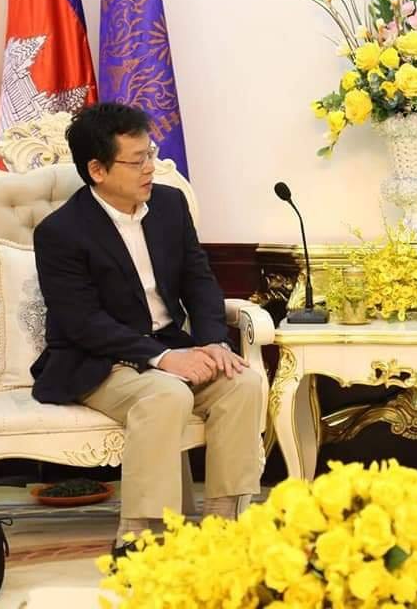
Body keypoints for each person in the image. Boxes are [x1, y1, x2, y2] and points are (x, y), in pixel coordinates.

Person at [31, 103, 264, 557]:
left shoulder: (170, 205)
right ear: (97, 170)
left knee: (242, 383)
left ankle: (226, 523)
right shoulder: (61, 232)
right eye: (137, 160)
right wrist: (162, 358)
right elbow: (82, 322)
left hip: (170, 347)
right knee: (166, 394)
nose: (150, 168)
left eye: (150, 154)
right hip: (98, 360)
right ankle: (143, 536)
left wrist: (213, 340)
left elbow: (199, 280)